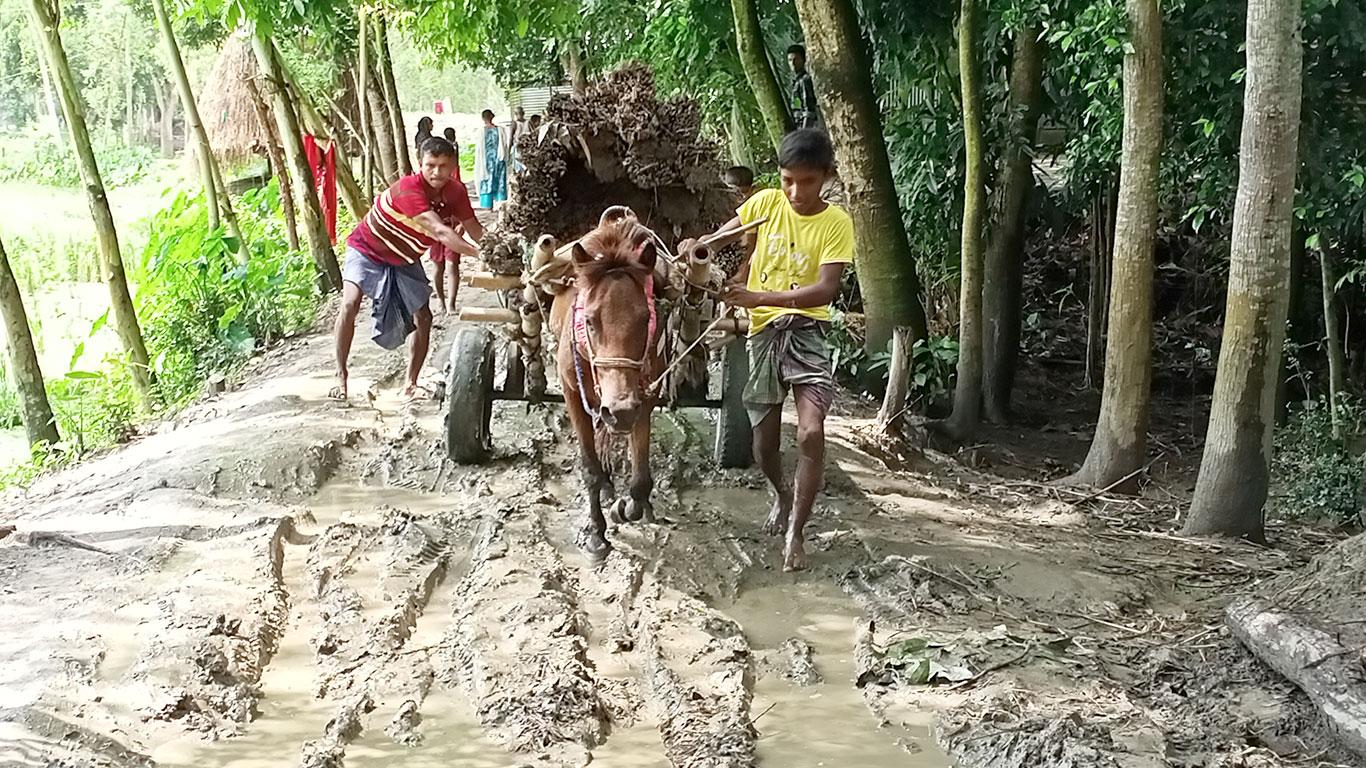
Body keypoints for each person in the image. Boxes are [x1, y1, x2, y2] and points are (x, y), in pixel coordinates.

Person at [697, 129, 851, 572]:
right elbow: (723, 237)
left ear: (826, 177)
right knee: (762, 446)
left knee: (809, 433)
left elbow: (825, 289)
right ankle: (782, 493)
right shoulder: (764, 204)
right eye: (787, 180)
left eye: (806, 181)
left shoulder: (836, 222)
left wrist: (760, 297)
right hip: (763, 335)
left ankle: (797, 532)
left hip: (807, 331)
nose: (795, 191)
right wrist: (698, 247)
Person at [332, 136, 484, 403]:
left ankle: (410, 384)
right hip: (366, 249)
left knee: (423, 317)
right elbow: (439, 230)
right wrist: (478, 253)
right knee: (350, 304)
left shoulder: (456, 192)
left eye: (443, 165)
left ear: (453, 166)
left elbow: (474, 228)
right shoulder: (407, 189)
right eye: (431, 165)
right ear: (420, 164)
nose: (437, 172)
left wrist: (497, 249)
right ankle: (340, 375)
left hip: (404, 258)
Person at [474, 109, 508, 208]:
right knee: (499, 179)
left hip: (486, 160)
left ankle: (487, 203)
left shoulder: (481, 131)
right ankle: (500, 202)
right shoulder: (500, 130)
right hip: (498, 159)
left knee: (487, 179)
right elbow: (504, 145)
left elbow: (479, 149)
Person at [787, 45, 822, 130]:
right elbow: (798, 106)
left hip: (807, 129)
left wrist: (804, 133)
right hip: (799, 126)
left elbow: (809, 111)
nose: (793, 63)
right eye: (790, 60)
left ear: (803, 60)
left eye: (796, 59)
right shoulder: (796, 83)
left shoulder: (804, 80)